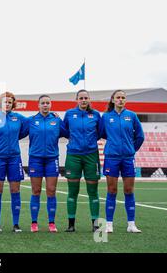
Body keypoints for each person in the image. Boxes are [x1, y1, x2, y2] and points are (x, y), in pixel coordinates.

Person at [99, 90, 144, 233]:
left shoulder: (132, 116)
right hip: (111, 157)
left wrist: (131, 149)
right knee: (111, 190)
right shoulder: (106, 117)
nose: (120, 100)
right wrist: (114, 145)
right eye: (118, 97)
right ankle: (109, 224)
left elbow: (140, 136)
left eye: (123, 98)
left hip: (128, 158)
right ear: (113, 100)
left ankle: (131, 224)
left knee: (128, 190)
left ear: (125, 100)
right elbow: (101, 133)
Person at [0, 92, 29, 233]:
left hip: (14, 158)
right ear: (0, 103)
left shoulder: (19, 118)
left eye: (10, 102)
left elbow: (26, 129)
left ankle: (16, 224)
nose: (7, 104)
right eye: (5, 102)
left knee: (15, 190)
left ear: (13, 104)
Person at [26, 95, 67, 233]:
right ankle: (34, 223)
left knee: (51, 191)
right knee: (36, 191)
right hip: (35, 159)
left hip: (51, 159)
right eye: (42, 103)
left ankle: (51, 223)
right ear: (38, 105)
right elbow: (18, 133)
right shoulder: (31, 120)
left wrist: (60, 119)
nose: (45, 105)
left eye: (47, 103)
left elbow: (67, 133)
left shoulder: (56, 120)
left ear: (51, 105)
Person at [62, 90, 102, 233]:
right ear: (76, 100)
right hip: (73, 155)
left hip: (91, 155)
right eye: (81, 98)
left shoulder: (96, 115)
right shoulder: (69, 114)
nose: (83, 100)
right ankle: (71, 225)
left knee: (93, 191)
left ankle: (96, 224)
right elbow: (64, 131)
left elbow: (100, 132)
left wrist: (89, 142)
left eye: (86, 98)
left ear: (89, 99)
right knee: (73, 191)